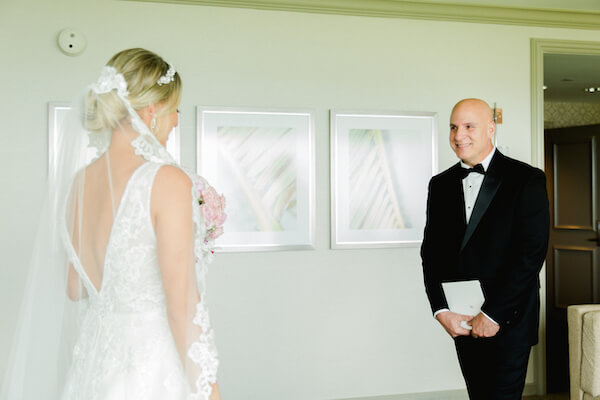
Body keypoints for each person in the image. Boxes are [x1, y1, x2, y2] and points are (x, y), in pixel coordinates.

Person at [1, 48, 223, 399]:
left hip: (94, 367)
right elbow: (181, 307)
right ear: (153, 110)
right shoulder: (167, 181)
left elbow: (74, 289)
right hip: (151, 369)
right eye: (175, 109)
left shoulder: (79, 182)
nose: (177, 121)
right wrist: (208, 390)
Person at [421, 98, 549, 399]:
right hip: (461, 318)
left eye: (468, 126)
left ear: (491, 129)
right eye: (453, 127)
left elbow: (530, 256)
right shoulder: (439, 185)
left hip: (509, 319)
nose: (458, 135)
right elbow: (431, 255)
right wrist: (441, 309)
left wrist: (492, 315)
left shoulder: (527, 179)